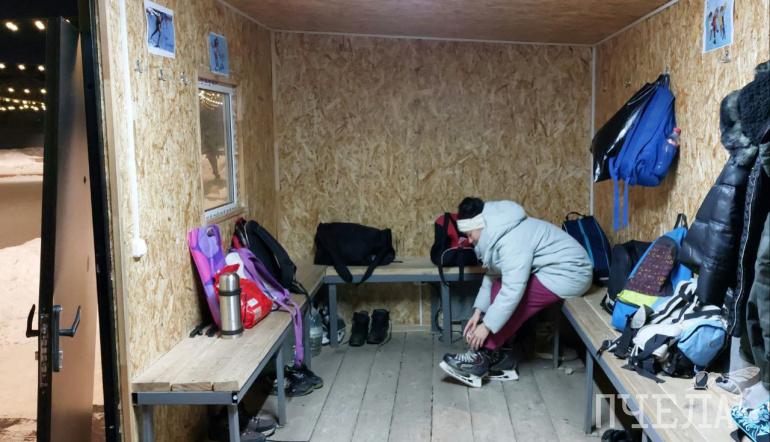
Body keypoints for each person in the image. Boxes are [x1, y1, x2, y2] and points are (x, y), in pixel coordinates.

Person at [439, 197, 593, 388]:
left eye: (470, 235)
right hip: (553, 269)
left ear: (479, 225)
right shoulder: (498, 231)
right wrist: (478, 311)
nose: (469, 241)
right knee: (499, 287)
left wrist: (486, 326)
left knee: (518, 299)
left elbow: (512, 291)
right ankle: (501, 357)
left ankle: (482, 357)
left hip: (571, 274)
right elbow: (493, 275)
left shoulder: (512, 240)